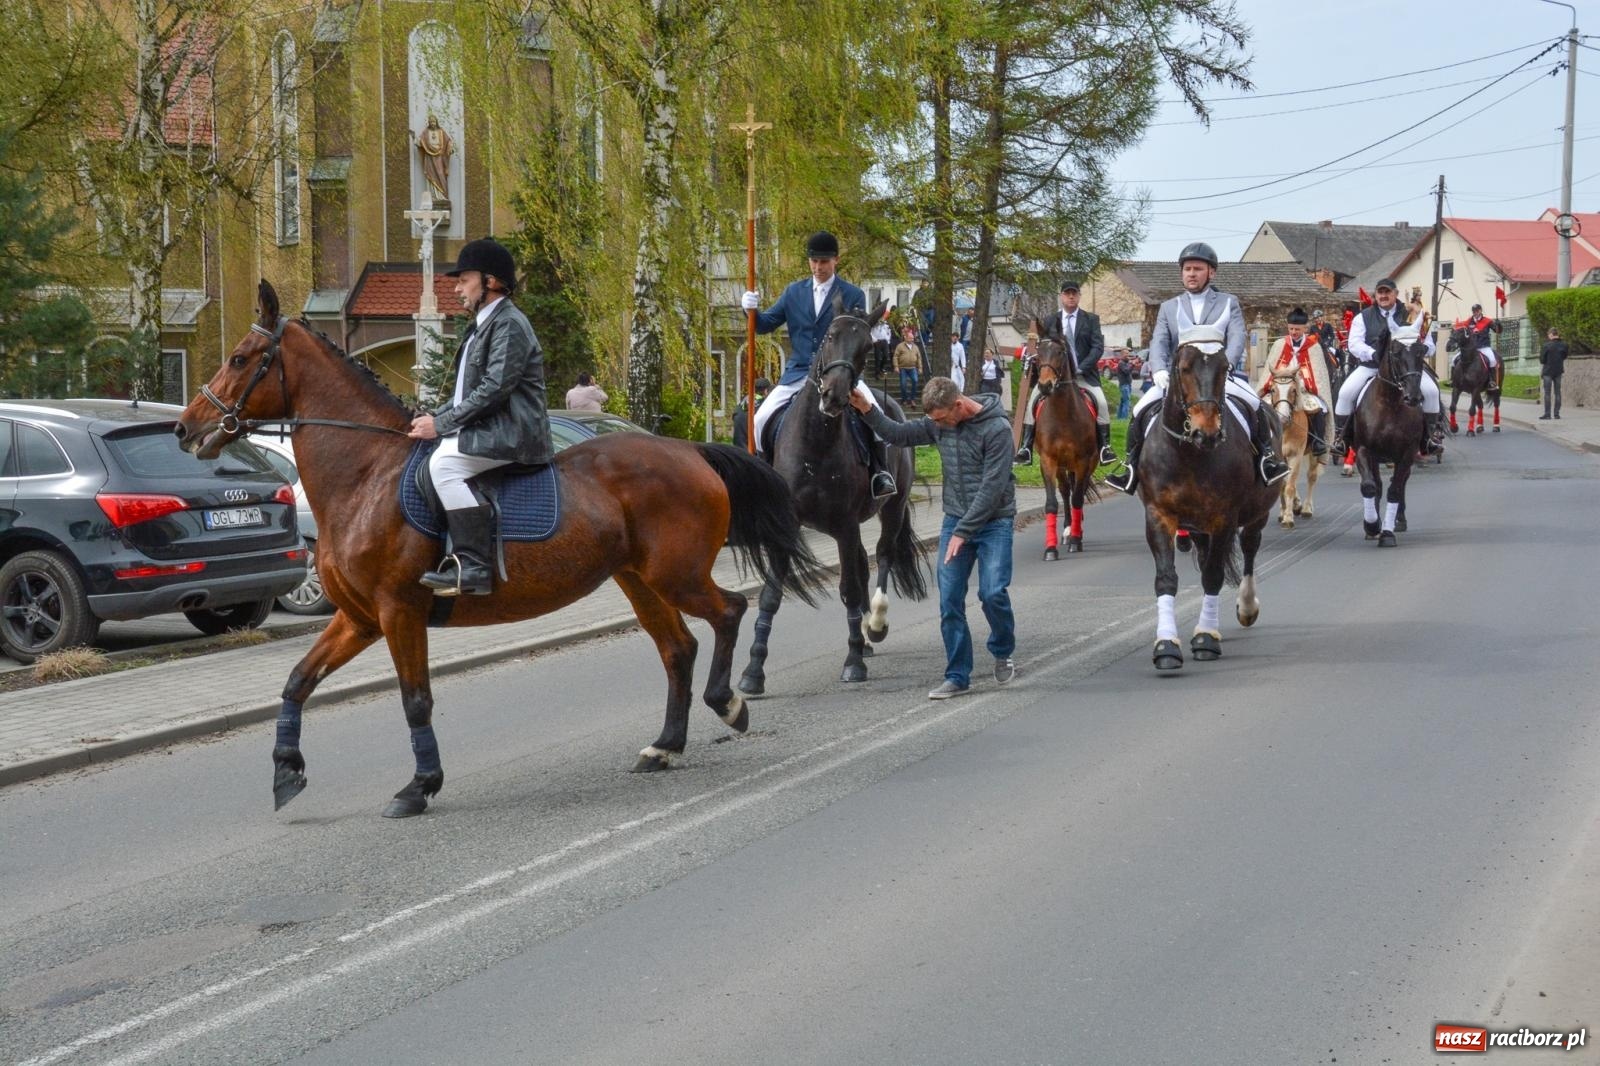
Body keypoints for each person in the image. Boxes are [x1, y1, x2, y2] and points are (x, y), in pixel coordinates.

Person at [849, 377, 1016, 699]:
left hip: (995, 522)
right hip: (956, 519)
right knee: (949, 600)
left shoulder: (997, 429)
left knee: (992, 592)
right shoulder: (939, 424)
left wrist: (963, 532)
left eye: (940, 418)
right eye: (933, 421)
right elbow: (898, 434)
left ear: (958, 405)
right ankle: (957, 675)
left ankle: (1002, 650)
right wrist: (867, 409)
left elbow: (992, 488)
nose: (936, 425)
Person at [409, 237, 550, 596]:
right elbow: (464, 394)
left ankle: (473, 566)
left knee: (444, 466)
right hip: (489, 427)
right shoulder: (483, 325)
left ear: (491, 281)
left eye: (464, 280)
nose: (457, 289)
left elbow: (493, 389)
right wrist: (432, 416)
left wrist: (441, 425)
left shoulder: (509, 324)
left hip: (514, 432)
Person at [1106, 243, 1289, 494]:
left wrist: (1227, 364)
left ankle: (1267, 459)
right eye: (1187, 269)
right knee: (1139, 410)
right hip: (1181, 379)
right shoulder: (1169, 307)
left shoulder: (1228, 302)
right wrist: (1159, 369)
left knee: (1254, 404)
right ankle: (1129, 466)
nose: (1191, 274)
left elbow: (1237, 336)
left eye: (1198, 269)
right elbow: (1159, 341)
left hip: (1218, 375)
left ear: (1211, 272)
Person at [741, 231, 895, 497]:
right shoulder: (793, 292)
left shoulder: (852, 294)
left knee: (875, 411)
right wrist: (750, 310)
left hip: (839, 374)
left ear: (836, 260)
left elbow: (857, 331)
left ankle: (880, 472)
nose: (818, 267)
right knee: (758, 420)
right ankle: (762, 474)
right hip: (799, 372)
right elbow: (764, 325)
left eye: (824, 261)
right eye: (814, 261)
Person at [1329, 277, 1442, 456]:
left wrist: (1424, 349)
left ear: (1396, 294)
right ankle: (1341, 439)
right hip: (1372, 366)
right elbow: (1354, 343)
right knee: (1345, 393)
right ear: (1375, 295)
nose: (1383, 296)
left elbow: (1428, 342)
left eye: (1387, 292)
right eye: (1380, 292)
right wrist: (1372, 353)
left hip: (1406, 368)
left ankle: (1429, 438)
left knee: (1432, 391)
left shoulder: (1411, 313)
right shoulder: (1363, 317)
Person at [1014, 279, 1115, 466]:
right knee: (1032, 401)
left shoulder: (1091, 319)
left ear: (1079, 296)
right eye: (1067, 293)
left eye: (1074, 293)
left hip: (1083, 376)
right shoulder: (1050, 320)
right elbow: (1044, 347)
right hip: (1054, 375)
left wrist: (1082, 368)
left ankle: (1105, 448)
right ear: (1061, 296)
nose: (1071, 296)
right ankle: (1026, 448)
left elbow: (1097, 347)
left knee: (1101, 403)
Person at [1255, 307, 1332, 457]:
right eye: (1291, 329)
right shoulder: (1279, 344)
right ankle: (1261, 440)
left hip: (1305, 388)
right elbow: (1269, 370)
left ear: (1305, 328)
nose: (1293, 332)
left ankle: (1318, 441)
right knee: (1261, 406)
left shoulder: (1314, 347)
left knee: (1319, 406)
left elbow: (1318, 374)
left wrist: (1304, 384)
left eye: (1297, 329)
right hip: (1280, 386)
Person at [1454, 302, 1502, 376]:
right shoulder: (1469, 321)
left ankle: (1491, 379)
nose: (1475, 313)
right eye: (1474, 311)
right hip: (1470, 349)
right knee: (1454, 359)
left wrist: (1498, 325)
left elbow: (1498, 331)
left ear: (1480, 311)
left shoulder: (1487, 321)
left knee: (1492, 360)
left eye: (1477, 311)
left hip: (1483, 347)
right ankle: (1453, 379)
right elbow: (1461, 330)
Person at [731, 376, 772, 450]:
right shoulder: (764, 406)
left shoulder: (742, 403)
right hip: (753, 451)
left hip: (738, 450)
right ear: (766, 391)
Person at [1540, 326, 1567, 419]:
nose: (1548, 336)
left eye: (1548, 335)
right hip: (1558, 371)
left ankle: (1547, 414)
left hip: (1548, 371)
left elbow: (1542, 360)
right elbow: (1564, 356)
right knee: (1557, 392)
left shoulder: (1546, 345)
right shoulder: (1564, 345)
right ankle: (1556, 414)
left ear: (1551, 334)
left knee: (1547, 393)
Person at [894, 325, 922, 405]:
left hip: (913, 368)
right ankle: (904, 399)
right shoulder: (900, 346)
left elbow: (919, 357)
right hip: (903, 368)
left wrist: (920, 368)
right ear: (905, 338)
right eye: (910, 338)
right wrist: (896, 366)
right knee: (903, 384)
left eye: (913, 338)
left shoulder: (915, 347)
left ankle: (912, 399)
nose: (912, 340)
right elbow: (895, 356)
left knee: (915, 381)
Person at [870, 312, 893, 376]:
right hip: (877, 342)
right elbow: (870, 333)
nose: (882, 320)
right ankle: (877, 372)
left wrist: (887, 340)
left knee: (886, 356)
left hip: (885, 342)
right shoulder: (874, 325)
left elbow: (889, 333)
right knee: (878, 357)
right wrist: (875, 340)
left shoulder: (886, 326)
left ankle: (881, 368)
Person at [1115, 350, 1134, 419]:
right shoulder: (1121, 363)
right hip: (1124, 385)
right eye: (1126, 353)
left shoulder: (1126, 362)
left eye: (1128, 353)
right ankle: (1124, 418)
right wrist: (1132, 365)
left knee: (1123, 401)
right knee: (1126, 402)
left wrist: (1131, 363)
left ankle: (1119, 417)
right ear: (1122, 355)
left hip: (1127, 384)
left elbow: (1128, 370)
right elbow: (1126, 371)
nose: (1128, 355)